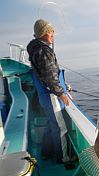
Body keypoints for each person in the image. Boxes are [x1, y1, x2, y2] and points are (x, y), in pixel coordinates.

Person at [27, 19, 70, 163]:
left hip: (44, 96)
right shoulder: (44, 51)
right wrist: (61, 93)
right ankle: (63, 157)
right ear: (44, 33)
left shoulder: (36, 49)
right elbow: (50, 77)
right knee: (60, 127)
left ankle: (46, 152)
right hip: (51, 96)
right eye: (50, 31)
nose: (53, 34)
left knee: (51, 124)